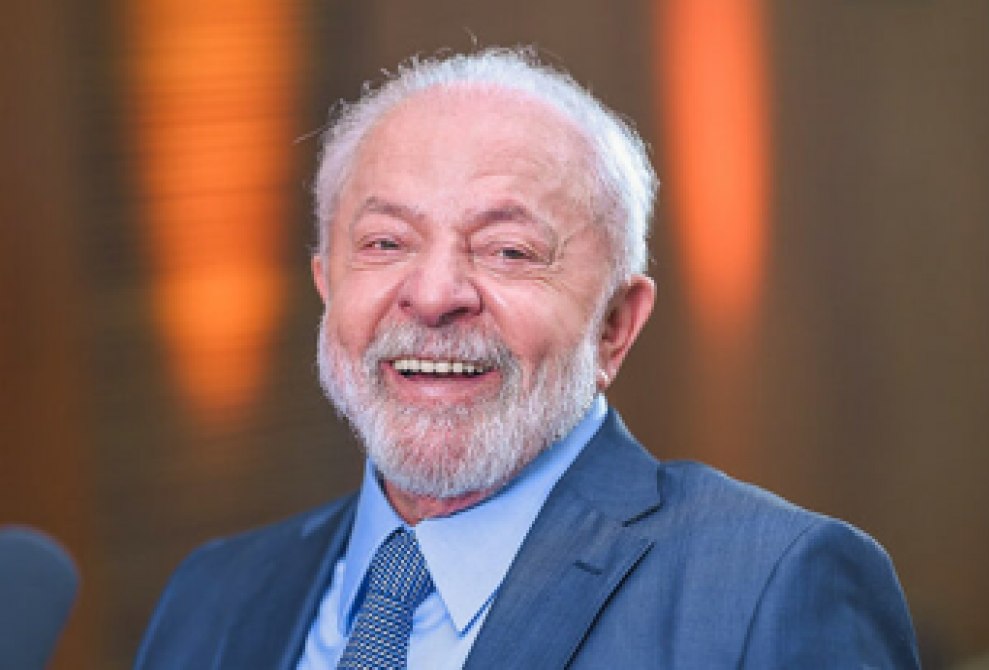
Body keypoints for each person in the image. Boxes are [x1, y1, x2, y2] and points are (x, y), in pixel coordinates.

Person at [135, 48, 921, 669]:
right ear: (326, 287)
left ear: (615, 325)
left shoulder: (768, 588)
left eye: (508, 250)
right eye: (385, 243)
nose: (434, 295)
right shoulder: (212, 596)